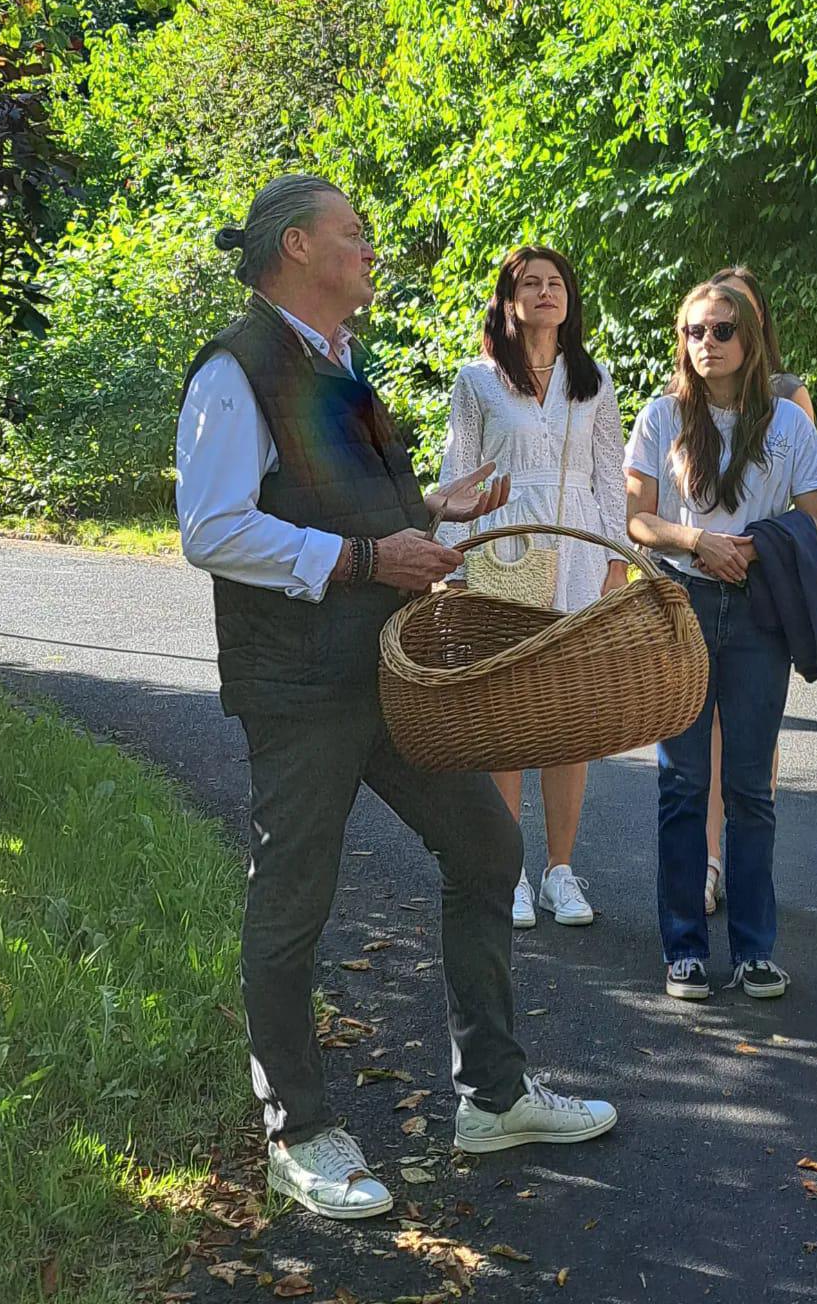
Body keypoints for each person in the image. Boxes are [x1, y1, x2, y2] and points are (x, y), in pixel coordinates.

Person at [176, 176, 615, 1222]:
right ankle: (299, 1132)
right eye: (355, 234)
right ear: (296, 247)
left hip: (384, 670)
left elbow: (341, 499)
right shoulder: (235, 368)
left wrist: (430, 505)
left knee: (487, 849)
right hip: (299, 686)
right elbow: (212, 527)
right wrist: (371, 555)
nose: (371, 251)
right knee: (293, 897)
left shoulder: (341, 361)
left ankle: (493, 1099)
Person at [626, 280, 817, 1001]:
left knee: (749, 787)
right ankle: (684, 948)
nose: (706, 344)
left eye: (720, 330)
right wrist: (697, 542)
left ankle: (754, 951)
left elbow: (814, 518)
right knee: (682, 782)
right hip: (680, 606)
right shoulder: (660, 417)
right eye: (694, 331)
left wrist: (793, 575)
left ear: (749, 337)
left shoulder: (787, 422)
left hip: (758, 610)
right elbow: (637, 518)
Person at [438, 246, 629, 929]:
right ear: (509, 299)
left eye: (557, 283)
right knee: (508, 713)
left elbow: (611, 476)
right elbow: (458, 473)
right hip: (505, 546)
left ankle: (560, 871)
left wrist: (617, 563)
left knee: (568, 715)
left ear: (569, 300)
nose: (546, 292)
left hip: (578, 547)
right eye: (532, 283)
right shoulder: (477, 381)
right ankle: (509, 868)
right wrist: (452, 564)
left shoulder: (594, 380)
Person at [698, 266, 817, 917]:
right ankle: (708, 862)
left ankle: (749, 864)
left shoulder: (787, 397)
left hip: (768, 588)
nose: (717, 333)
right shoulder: (683, 405)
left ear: (756, 328)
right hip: (699, 588)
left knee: (754, 737)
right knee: (702, 737)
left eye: (734, 321)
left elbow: (811, 515)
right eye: (708, 322)